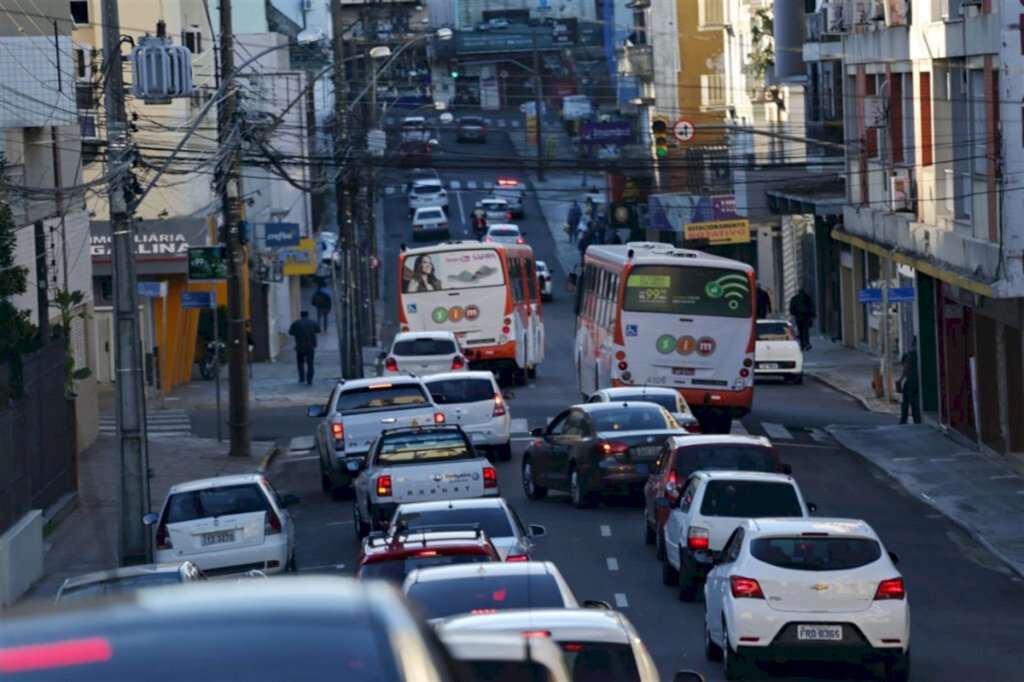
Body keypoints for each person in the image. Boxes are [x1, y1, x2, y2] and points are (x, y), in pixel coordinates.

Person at [288, 310, 319, 385]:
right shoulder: (313, 322)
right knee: (310, 363)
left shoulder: (296, 323)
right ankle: (310, 379)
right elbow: (318, 330)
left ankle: (302, 378)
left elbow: (290, 332)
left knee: (300, 362)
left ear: (301, 315)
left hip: (300, 345)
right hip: (310, 345)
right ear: (307, 315)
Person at [898, 338, 921, 424]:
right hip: (918, 381)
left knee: (905, 401)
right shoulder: (920, 353)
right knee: (915, 401)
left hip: (911, 381)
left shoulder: (910, 354)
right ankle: (916, 419)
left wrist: (900, 379)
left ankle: (904, 420)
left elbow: (906, 368)